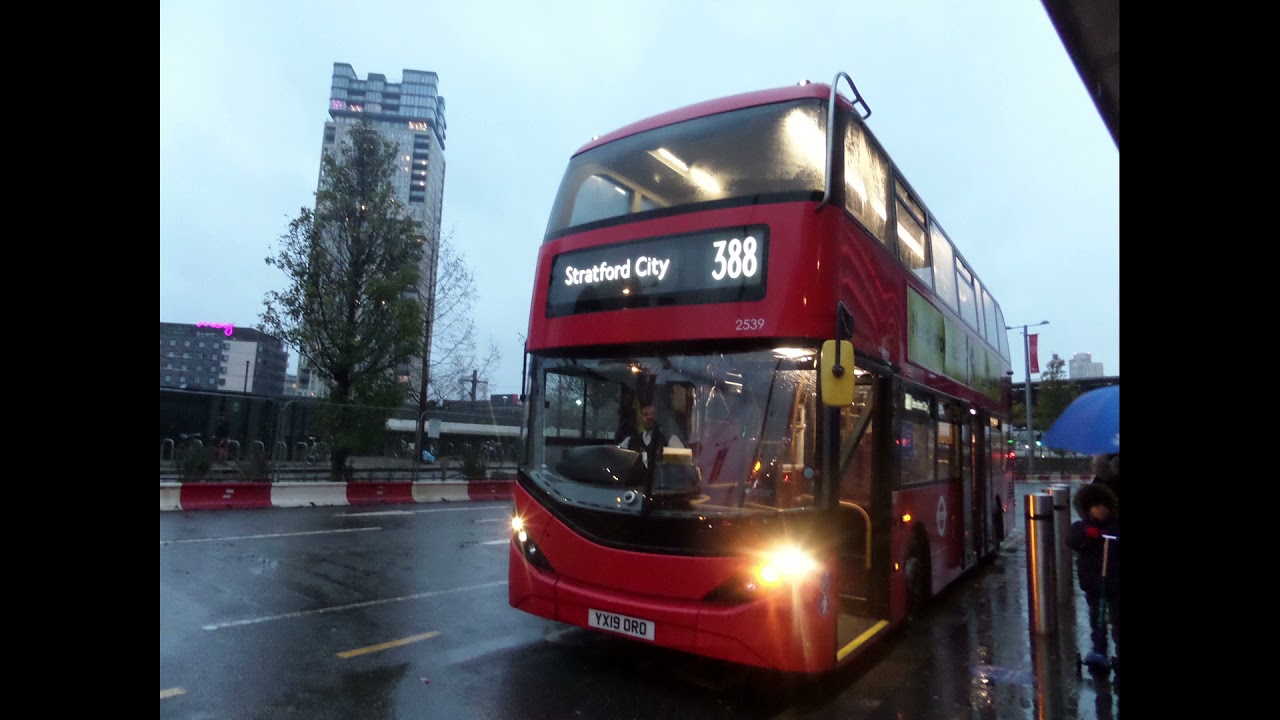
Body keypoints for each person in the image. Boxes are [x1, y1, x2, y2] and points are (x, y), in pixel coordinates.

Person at [1066, 482, 1120, 670]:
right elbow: (1072, 541)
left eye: (1105, 507)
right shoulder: (1081, 527)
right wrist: (1088, 535)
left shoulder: (1114, 527)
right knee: (1097, 618)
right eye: (1097, 507)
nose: (1102, 510)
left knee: (1116, 618)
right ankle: (1099, 649)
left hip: (1114, 582)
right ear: (1089, 509)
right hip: (1093, 581)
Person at [618, 403, 683, 469]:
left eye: (653, 414)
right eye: (645, 414)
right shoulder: (629, 441)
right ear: (640, 418)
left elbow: (681, 467)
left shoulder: (671, 440)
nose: (649, 417)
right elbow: (618, 457)